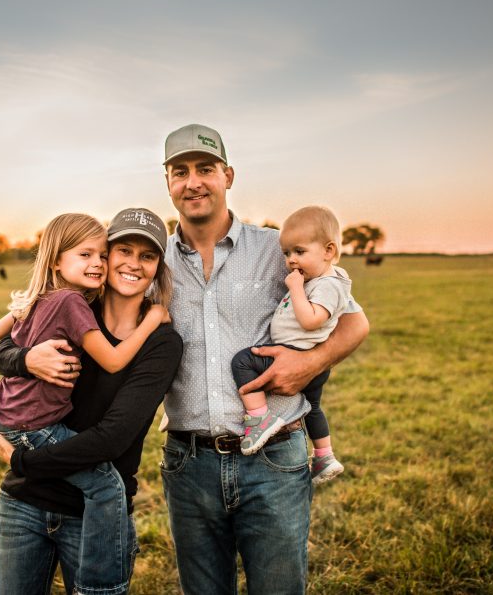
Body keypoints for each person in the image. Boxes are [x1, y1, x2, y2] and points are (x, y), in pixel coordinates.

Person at [158, 123, 370, 595]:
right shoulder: (153, 262)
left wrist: (309, 365)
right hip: (188, 463)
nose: (193, 181)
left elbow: (356, 323)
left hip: (274, 460)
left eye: (206, 169)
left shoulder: (278, 248)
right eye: (180, 171)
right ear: (167, 183)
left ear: (228, 176)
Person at [0, 208, 183, 595]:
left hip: (90, 516)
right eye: (122, 250)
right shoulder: (74, 308)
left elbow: (113, 438)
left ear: (159, 267)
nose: (133, 263)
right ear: (105, 257)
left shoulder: (161, 342)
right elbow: (0, 349)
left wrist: (23, 460)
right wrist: (27, 359)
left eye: (148, 256)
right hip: (24, 501)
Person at [230, 205, 360, 486]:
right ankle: (324, 455)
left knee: (242, 362)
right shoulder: (317, 280)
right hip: (305, 356)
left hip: (300, 355)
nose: (290, 260)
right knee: (312, 409)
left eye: (299, 252)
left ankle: (259, 417)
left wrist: (296, 289)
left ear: (328, 251)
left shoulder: (328, 285)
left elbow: (311, 319)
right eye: (287, 253)